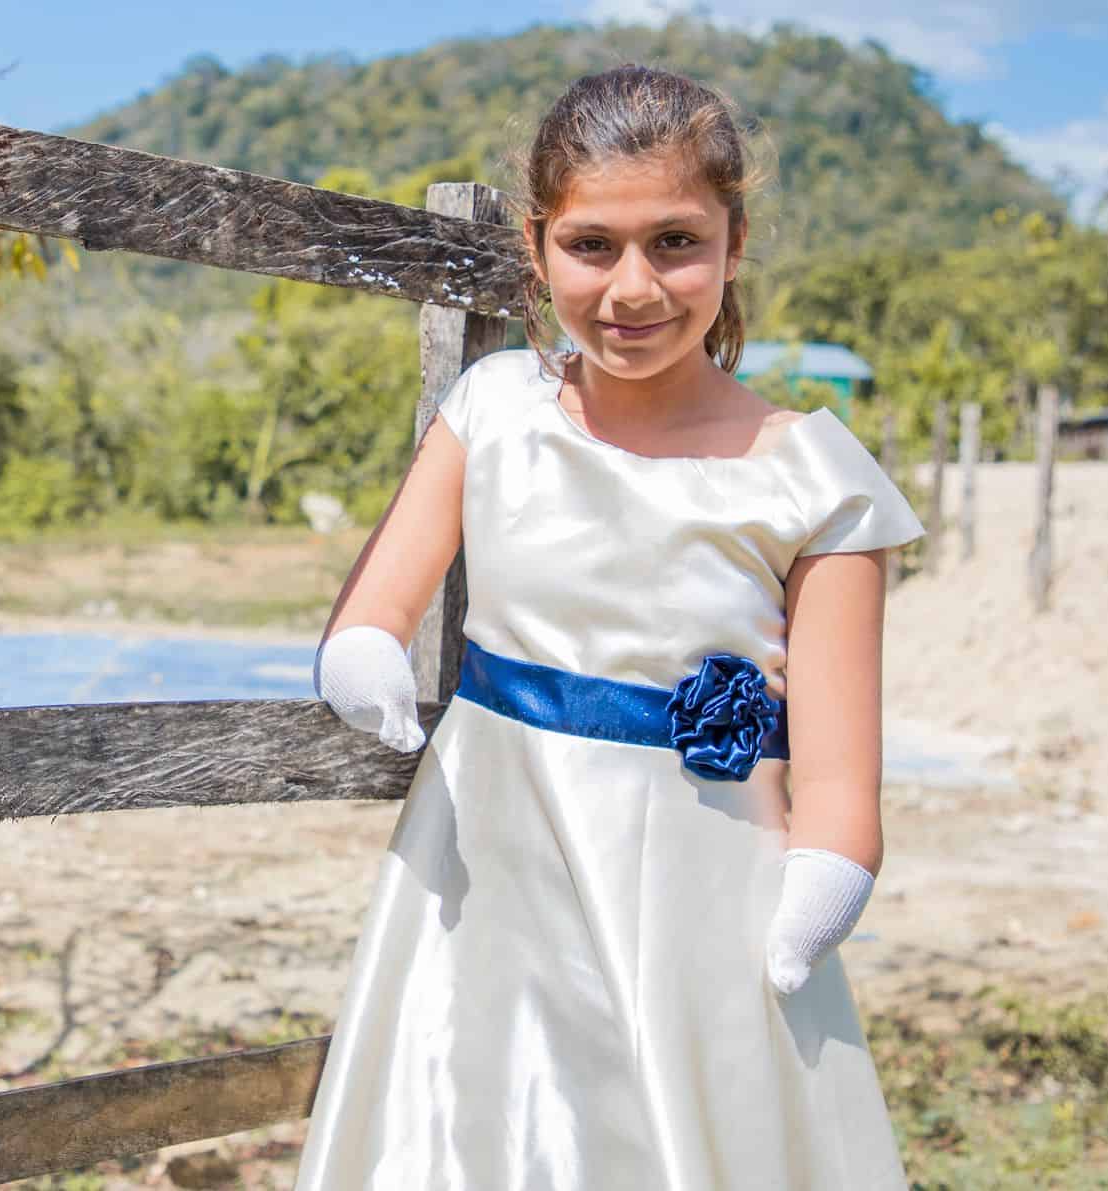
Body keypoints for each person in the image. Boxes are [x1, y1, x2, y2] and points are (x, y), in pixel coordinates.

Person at [294, 65, 923, 1190]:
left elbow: (838, 762)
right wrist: (362, 649)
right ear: (538, 249)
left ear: (733, 245)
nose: (634, 288)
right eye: (592, 246)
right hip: (489, 853)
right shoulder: (493, 409)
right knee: (477, 1113)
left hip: (703, 876)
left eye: (675, 242)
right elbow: (381, 595)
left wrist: (832, 866)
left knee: (677, 1129)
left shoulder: (817, 477)